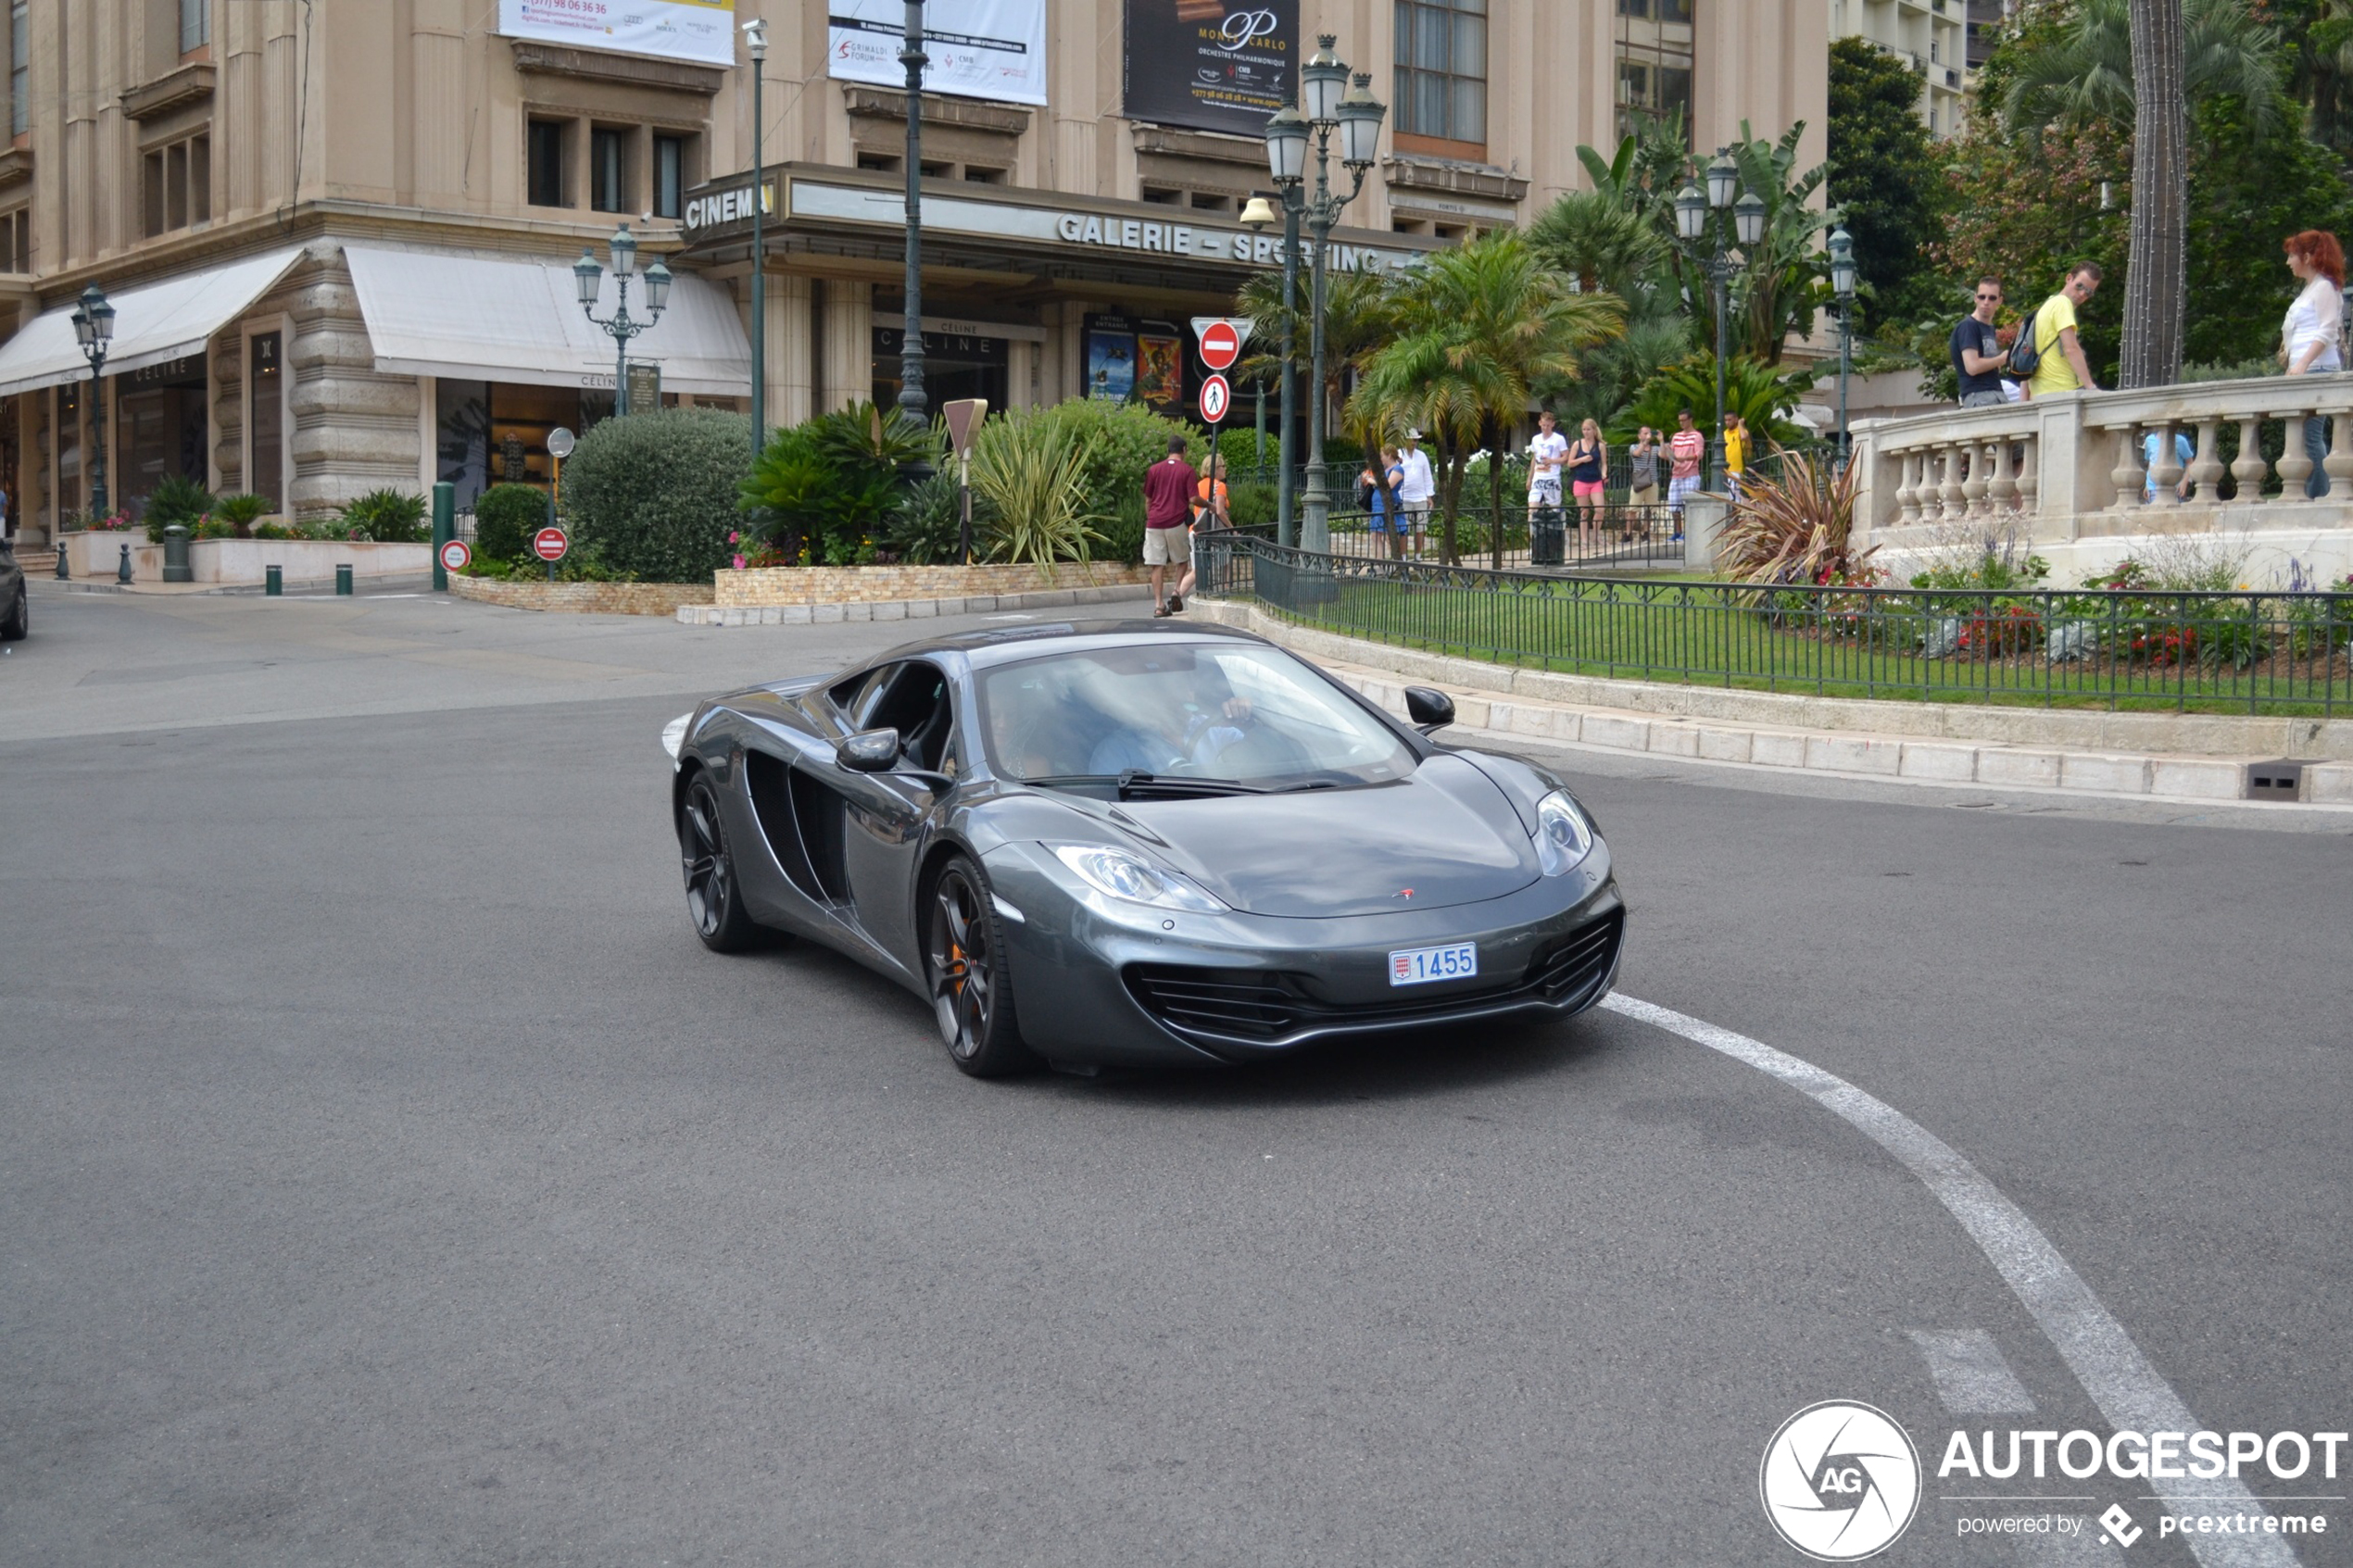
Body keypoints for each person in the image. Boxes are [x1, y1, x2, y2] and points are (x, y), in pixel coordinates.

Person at [2283, 229, 2345, 497]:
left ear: (2306, 257)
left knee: (2310, 437)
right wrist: (2293, 364)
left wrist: (2303, 364)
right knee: (2304, 438)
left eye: (2292, 256)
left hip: (2319, 368)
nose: (2289, 262)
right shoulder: (2311, 289)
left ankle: (2319, 494)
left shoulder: (2324, 287)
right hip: (2306, 369)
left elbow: (2327, 330)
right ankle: (2314, 491)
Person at [2023, 262, 2103, 399]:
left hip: (2041, 392)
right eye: (2079, 286)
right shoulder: (2062, 304)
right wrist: (2090, 387)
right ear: (2068, 278)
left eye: (2089, 292)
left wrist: (2024, 401)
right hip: (2062, 391)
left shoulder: (2047, 305)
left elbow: (2027, 356)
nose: (2082, 293)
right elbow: (2071, 348)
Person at [1142, 434, 1199, 616]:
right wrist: (1209, 505)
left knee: (1156, 565)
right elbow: (1193, 499)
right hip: (1176, 522)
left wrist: (1150, 517)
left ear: (1168, 450)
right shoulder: (1187, 470)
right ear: (1184, 450)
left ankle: (1159, 606)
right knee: (1182, 560)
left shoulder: (1154, 470)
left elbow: (1148, 500)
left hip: (1154, 523)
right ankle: (1176, 590)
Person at [1173, 453, 1229, 604]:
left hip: (1196, 532)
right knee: (1225, 565)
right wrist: (1231, 528)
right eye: (1223, 466)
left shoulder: (1198, 485)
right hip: (1215, 532)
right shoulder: (1220, 486)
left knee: (1196, 571)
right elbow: (1220, 511)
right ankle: (1226, 595)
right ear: (1215, 469)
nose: (1225, 469)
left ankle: (1177, 594)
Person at [1953, 277, 2009, 408]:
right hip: (1978, 396)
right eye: (1982, 297)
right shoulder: (1968, 326)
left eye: (1992, 298)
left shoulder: (1990, 329)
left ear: (2000, 301)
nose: (1986, 302)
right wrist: (2001, 359)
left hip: (1996, 393)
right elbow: (1972, 367)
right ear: (1975, 298)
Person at [1527, 410, 1568, 564]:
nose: (1545, 428)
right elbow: (1534, 458)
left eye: (1547, 425)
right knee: (1532, 510)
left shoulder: (1558, 439)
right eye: (1543, 425)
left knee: (1554, 510)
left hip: (1552, 478)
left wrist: (1552, 460)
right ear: (1540, 423)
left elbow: (1566, 457)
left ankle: (1556, 541)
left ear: (1552, 424)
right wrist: (1530, 478)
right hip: (1539, 477)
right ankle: (1533, 544)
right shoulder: (1536, 439)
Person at [1567, 418, 1607, 553]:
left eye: (1588, 429)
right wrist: (1582, 459)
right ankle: (1584, 540)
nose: (1586, 432)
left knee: (1600, 509)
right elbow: (1570, 463)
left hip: (1595, 480)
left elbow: (1604, 463)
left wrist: (1604, 474)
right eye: (1584, 429)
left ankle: (1595, 534)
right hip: (1581, 480)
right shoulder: (1577, 444)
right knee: (1584, 512)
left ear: (1594, 430)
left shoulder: (1600, 446)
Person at [1397, 429, 1436, 556]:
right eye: (1412, 440)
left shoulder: (1422, 455)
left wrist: (1429, 496)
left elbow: (1427, 476)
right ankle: (1403, 557)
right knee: (1404, 529)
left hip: (1420, 498)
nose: (1414, 443)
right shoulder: (1399, 454)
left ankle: (1418, 556)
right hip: (1404, 498)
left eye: (1415, 440)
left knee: (1421, 528)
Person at [1667, 408, 1705, 537]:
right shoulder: (1676, 436)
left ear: (1690, 420)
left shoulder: (1697, 436)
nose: (1682, 423)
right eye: (1680, 421)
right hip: (1676, 474)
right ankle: (1677, 531)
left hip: (1690, 473)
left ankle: (1689, 531)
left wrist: (1684, 458)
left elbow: (1699, 454)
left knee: (1688, 505)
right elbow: (1671, 452)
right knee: (1674, 504)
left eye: (1684, 420)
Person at [2142, 429, 2195, 503]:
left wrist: (2184, 482)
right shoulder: (2149, 440)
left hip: (2174, 487)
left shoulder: (2180, 441)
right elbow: (2151, 461)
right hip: (2152, 487)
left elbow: (2189, 462)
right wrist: (2147, 485)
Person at [1627, 426, 1661, 536]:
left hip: (1653, 481)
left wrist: (1661, 440)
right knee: (1633, 509)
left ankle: (1646, 532)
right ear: (1639, 435)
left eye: (1649, 433)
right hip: (1639, 482)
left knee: (1650, 510)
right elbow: (1636, 453)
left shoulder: (1655, 449)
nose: (1647, 435)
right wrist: (1645, 442)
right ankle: (1628, 533)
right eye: (1645, 433)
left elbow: (1664, 455)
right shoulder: (1634, 447)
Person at [1722, 413, 1750, 503]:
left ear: (1735, 419)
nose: (1727, 422)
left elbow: (1744, 437)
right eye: (1726, 420)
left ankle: (1736, 516)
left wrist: (1740, 424)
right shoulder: (1724, 433)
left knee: (1735, 497)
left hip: (1736, 468)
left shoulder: (1740, 431)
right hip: (1725, 469)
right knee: (1727, 497)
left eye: (1730, 420)